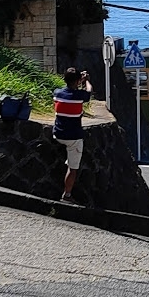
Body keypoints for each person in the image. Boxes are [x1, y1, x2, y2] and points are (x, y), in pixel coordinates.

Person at [53, 67, 93, 203]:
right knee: (73, 168)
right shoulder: (79, 96)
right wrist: (86, 80)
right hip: (73, 137)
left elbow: (71, 90)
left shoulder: (57, 93)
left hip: (57, 133)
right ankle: (67, 195)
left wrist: (77, 81)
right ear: (77, 81)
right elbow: (89, 92)